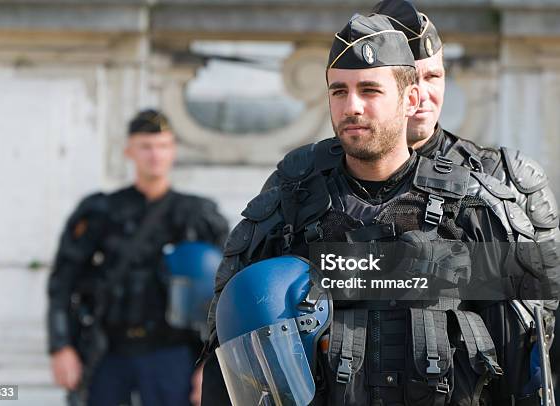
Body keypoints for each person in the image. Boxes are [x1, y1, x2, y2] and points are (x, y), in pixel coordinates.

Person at [201, 11, 557, 406]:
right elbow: (233, 350)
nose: (352, 106)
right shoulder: (290, 204)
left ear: (410, 99)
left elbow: (526, 368)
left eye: (370, 90)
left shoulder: (474, 210)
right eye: (339, 91)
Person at [47, 109, 229, 406]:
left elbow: (225, 290)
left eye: (162, 146)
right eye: (145, 146)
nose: (154, 155)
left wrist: (211, 365)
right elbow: (63, 281)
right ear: (129, 151)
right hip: (108, 351)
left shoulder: (197, 215)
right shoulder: (101, 211)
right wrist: (61, 347)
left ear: (173, 151)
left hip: (171, 353)